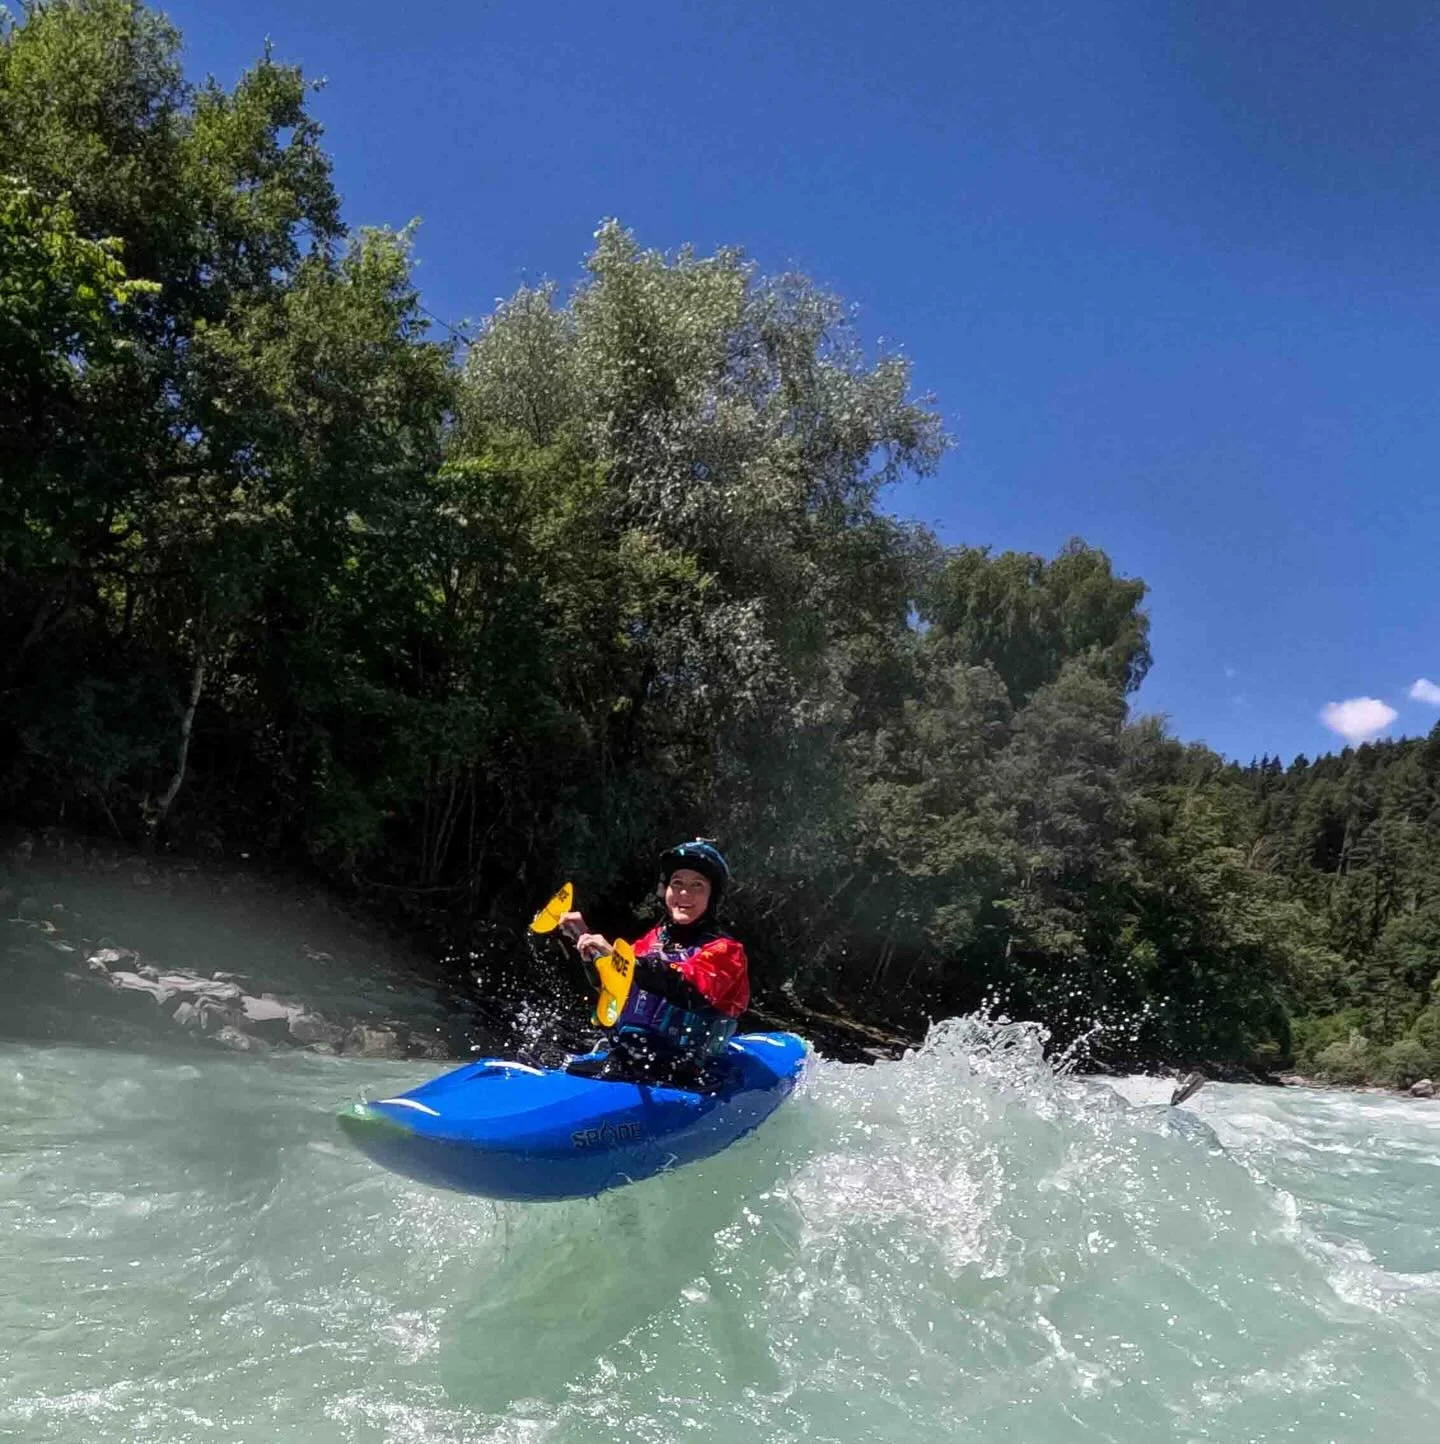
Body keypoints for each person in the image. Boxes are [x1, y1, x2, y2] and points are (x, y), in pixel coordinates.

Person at [561, 840, 749, 1086]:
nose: (684, 893)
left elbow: (687, 986)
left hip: (684, 1070)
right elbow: (616, 986)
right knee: (556, 1045)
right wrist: (589, 947)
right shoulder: (654, 939)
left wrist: (622, 960)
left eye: (697, 886)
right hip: (631, 1055)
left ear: (712, 897)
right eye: (677, 883)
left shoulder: (726, 951)